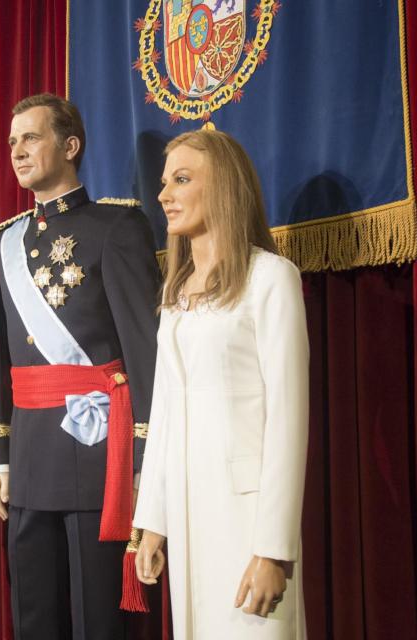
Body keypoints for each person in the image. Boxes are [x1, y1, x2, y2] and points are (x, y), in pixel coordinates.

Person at [0, 93, 161, 639]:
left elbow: (144, 352)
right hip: (29, 455)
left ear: (70, 146)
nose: (17, 151)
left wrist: (144, 459)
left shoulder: (116, 227)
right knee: (34, 617)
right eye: (12, 141)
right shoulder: (7, 242)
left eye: (31, 137)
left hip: (97, 454)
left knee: (96, 620)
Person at [133, 129, 309, 639]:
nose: (163, 195)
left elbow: (288, 420)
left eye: (181, 180)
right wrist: (153, 522)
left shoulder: (270, 278)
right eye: (164, 182)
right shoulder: (175, 294)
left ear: (225, 186)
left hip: (246, 520)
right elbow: (164, 412)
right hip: (189, 519)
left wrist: (273, 549)